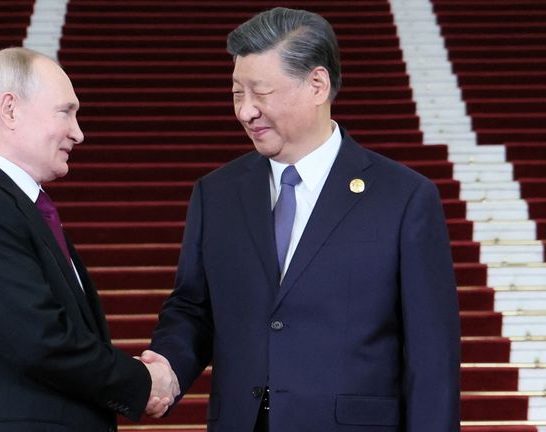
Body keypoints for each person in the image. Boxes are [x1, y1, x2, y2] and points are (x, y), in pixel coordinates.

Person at [141, 7, 460, 431]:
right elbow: (193, 309)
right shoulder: (215, 193)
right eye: (237, 93)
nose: (246, 111)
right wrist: (167, 369)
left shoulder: (404, 198)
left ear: (317, 84)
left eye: (261, 92)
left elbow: (432, 355)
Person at [0, 47, 178, 432]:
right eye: (66, 111)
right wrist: (142, 382)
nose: (78, 132)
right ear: (10, 110)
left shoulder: (10, 204)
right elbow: (41, 340)